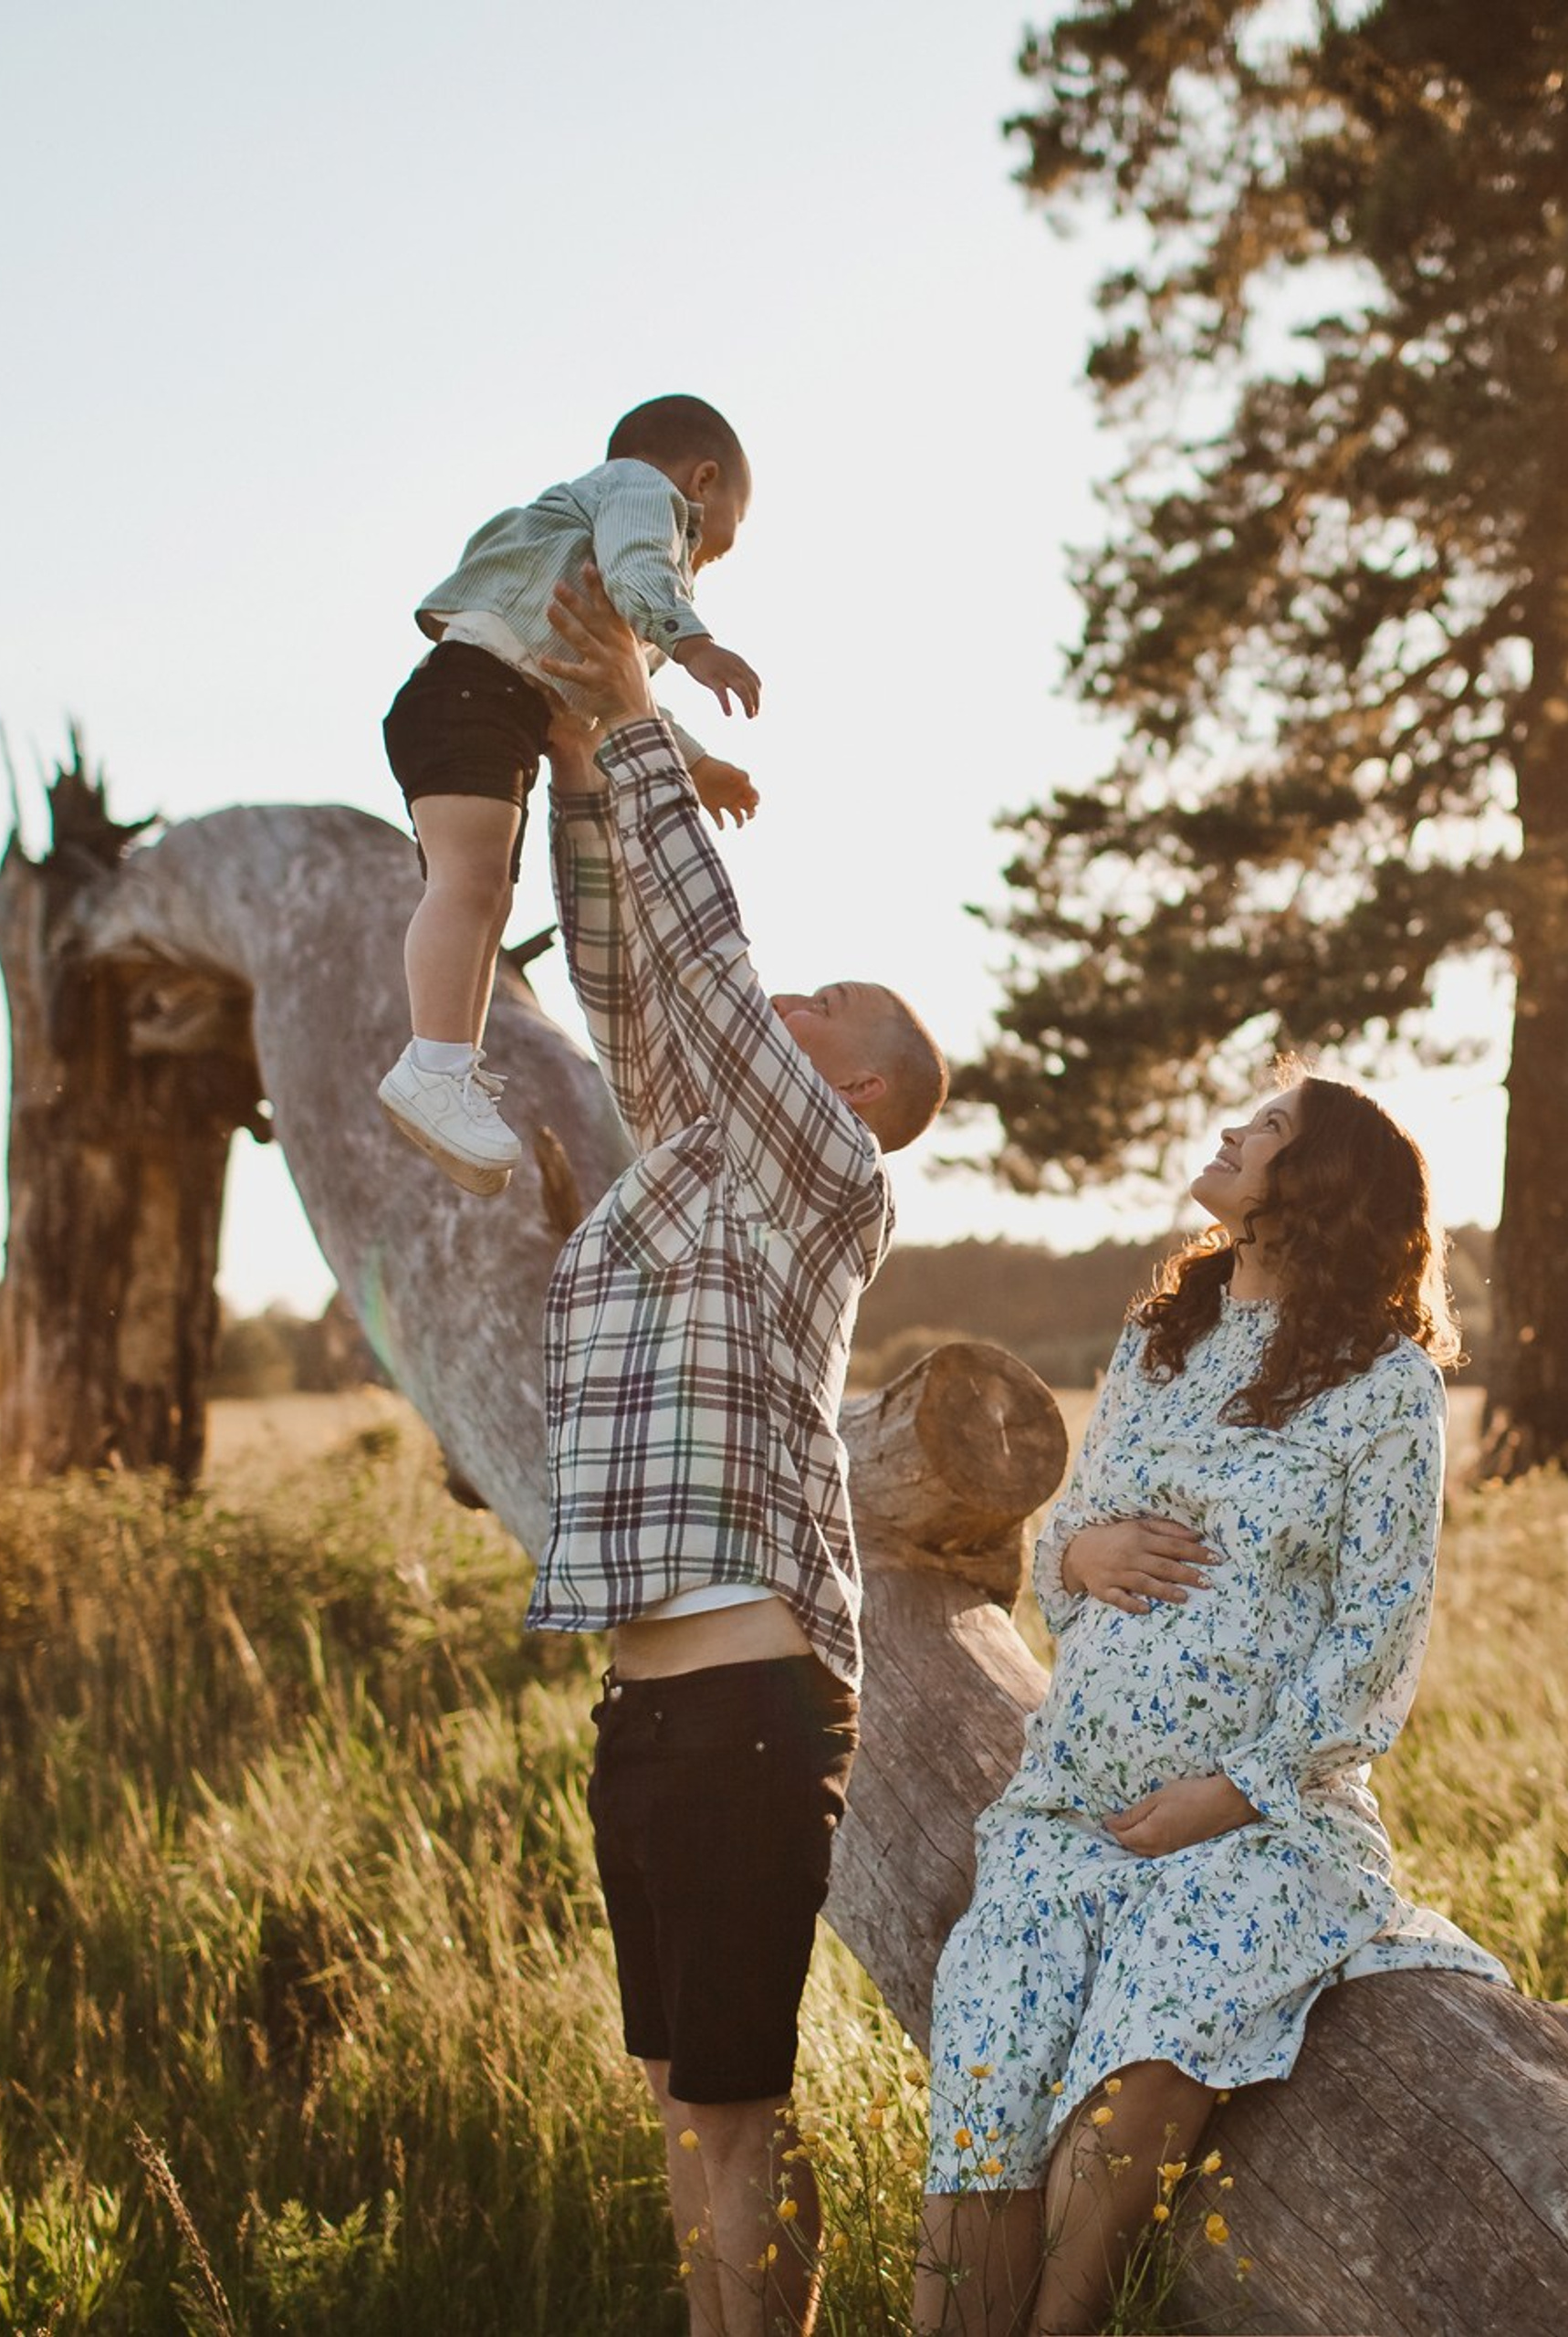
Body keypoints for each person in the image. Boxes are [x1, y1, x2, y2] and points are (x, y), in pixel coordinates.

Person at [913, 1074, 1509, 2337]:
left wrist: (1227, 1793)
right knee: (986, 2073)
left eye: (1269, 1127)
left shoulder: (1386, 1385)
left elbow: (1376, 1641)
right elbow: (1064, 1542)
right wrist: (1080, 1554)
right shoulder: (1161, 1340)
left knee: (1142, 2065)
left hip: (1256, 1828)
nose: (1235, 1131)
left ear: (1322, 1186)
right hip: (1071, 1808)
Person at [530, 565, 946, 2337]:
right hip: (643, 1718)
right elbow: (637, 978)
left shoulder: (826, 1176)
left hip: (747, 1717)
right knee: (679, 2107)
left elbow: (706, 969)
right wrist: (579, 759)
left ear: (859, 1088)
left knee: (730, 2111)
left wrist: (640, 714)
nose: (790, 996)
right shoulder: (694, 1157)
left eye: (827, 998)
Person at [378, 393, 767, 1194]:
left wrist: (696, 765)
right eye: (713, 547)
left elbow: (613, 691)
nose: (698, 565)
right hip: (472, 695)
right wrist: (694, 644)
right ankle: (433, 1065)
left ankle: (451, 1067)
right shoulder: (640, 492)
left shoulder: (587, 566)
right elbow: (641, 566)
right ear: (703, 482)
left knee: (487, 895)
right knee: (468, 885)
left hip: (492, 707)